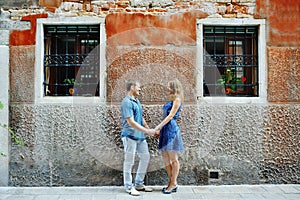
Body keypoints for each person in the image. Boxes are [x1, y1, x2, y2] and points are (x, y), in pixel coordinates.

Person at [121, 80, 156, 196]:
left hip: (140, 136)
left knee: (145, 157)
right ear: (132, 87)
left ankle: (139, 184)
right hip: (129, 135)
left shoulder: (136, 100)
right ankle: (128, 187)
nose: (140, 89)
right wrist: (147, 131)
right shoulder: (126, 102)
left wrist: (148, 129)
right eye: (138, 87)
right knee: (129, 161)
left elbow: (140, 117)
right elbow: (131, 122)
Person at [154, 78, 184, 194]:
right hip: (166, 129)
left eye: (169, 87)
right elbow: (165, 117)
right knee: (166, 159)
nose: (167, 89)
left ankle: (173, 183)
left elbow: (170, 116)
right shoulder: (171, 100)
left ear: (174, 88)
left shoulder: (177, 100)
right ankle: (172, 182)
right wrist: (161, 130)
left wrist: (158, 127)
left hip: (171, 130)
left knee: (173, 159)